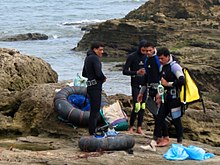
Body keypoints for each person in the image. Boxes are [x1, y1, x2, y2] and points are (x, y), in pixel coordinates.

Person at [137, 42, 170, 147]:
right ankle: (158, 137)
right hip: (150, 89)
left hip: (159, 90)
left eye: (149, 50)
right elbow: (146, 78)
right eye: (146, 51)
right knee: (155, 115)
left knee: (160, 115)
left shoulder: (157, 60)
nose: (148, 53)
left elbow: (162, 76)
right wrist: (141, 92)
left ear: (153, 49)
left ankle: (165, 137)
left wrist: (160, 93)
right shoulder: (147, 60)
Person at [156, 47, 185, 144]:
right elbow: (161, 82)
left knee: (176, 119)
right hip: (165, 97)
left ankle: (179, 141)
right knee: (159, 117)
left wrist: (168, 84)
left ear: (168, 57)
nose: (160, 61)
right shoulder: (162, 67)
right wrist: (159, 94)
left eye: (162, 59)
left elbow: (182, 81)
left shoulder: (174, 66)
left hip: (175, 98)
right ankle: (158, 139)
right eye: (159, 59)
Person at [122, 39, 148, 134]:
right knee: (137, 106)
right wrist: (136, 72)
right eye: (143, 49)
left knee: (143, 106)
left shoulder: (148, 57)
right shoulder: (132, 57)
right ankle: (131, 127)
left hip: (145, 84)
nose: (145, 52)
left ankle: (139, 127)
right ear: (139, 47)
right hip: (135, 84)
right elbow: (124, 71)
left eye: (146, 50)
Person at [82, 42, 107, 135]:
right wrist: (103, 78)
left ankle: (91, 130)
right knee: (95, 111)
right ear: (94, 49)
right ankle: (92, 132)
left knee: (93, 109)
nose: (102, 52)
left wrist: (91, 75)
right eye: (100, 50)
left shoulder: (88, 58)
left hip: (90, 86)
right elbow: (98, 73)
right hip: (96, 87)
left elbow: (84, 74)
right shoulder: (95, 58)